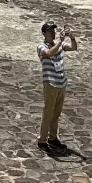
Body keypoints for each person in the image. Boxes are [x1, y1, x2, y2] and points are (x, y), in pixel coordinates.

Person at [37, 22, 78, 151]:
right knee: (48, 113)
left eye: (53, 31)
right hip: (50, 83)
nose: (52, 33)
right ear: (44, 33)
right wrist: (60, 42)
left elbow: (73, 47)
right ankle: (42, 140)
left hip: (61, 83)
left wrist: (71, 37)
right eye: (50, 31)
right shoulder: (41, 46)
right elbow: (49, 53)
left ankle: (52, 137)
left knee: (56, 113)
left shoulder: (58, 45)